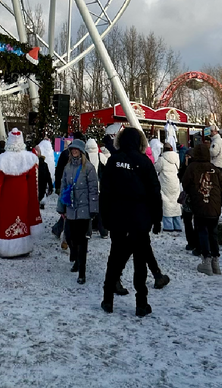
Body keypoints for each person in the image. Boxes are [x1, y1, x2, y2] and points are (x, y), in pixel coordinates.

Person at [99, 127, 161, 317]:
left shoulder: (113, 161)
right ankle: (141, 303)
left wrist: (105, 218)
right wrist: (157, 219)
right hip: (140, 219)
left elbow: (105, 193)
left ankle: (108, 299)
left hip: (118, 218)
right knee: (140, 262)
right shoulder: (145, 162)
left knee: (114, 260)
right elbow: (154, 193)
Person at [0, 129, 42, 257]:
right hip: (23, 196)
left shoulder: (2, 160)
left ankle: (6, 246)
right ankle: (23, 245)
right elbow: (33, 188)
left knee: (7, 218)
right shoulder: (30, 159)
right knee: (23, 217)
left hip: (7, 197)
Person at [185, 141, 222, 274]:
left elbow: (185, 184)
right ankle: (216, 262)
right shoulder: (215, 169)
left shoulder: (192, 168)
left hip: (200, 205)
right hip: (215, 206)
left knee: (202, 232)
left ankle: (206, 261)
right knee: (213, 233)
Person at [56, 138, 99, 285]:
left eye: (76, 149)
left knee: (82, 240)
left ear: (81, 151)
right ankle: (76, 259)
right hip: (71, 208)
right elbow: (63, 187)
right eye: (72, 149)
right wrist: (61, 206)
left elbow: (93, 190)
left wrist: (93, 210)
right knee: (70, 237)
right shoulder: (68, 167)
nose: (74, 151)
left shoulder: (89, 168)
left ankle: (82, 271)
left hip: (84, 209)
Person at [155, 140, 183, 233]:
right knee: (176, 202)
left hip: (165, 182)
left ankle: (168, 225)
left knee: (167, 203)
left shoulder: (162, 159)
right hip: (175, 182)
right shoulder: (176, 157)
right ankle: (178, 225)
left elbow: (157, 168)